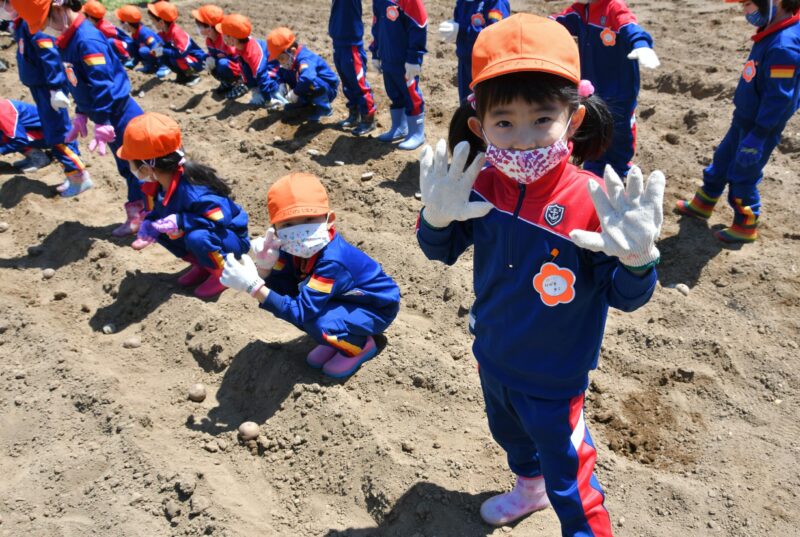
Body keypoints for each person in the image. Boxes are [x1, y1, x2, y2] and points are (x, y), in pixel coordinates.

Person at [416, 14, 665, 532]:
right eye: (504, 123)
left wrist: (638, 259)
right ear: (479, 126)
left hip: (555, 378)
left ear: (572, 120)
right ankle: (528, 489)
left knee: (572, 479)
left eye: (542, 119)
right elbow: (439, 252)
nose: (523, 139)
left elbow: (624, 296)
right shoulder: (479, 183)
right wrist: (435, 220)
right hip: (492, 356)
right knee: (510, 437)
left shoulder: (593, 201)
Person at [220, 172, 401, 378]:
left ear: (329, 219)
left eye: (308, 219)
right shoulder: (291, 249)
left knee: (315, 322)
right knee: (293, 301)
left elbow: (302, 311)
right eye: (288, 224)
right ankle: (337, 336)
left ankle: (360, 345)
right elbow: (282, 289)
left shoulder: (332, 261)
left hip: (374, 306)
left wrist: (254, 287)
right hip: (342, 298)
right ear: (276, 230)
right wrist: (265, 268)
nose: (299, 231)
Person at [12, 0, 147, 236]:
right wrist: (82, 113)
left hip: (119, 115)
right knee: (127, 167)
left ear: (58, 8)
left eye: (44, 22)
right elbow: (79, 81)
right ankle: (141, 216)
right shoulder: (67, 39)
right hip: (104, 114)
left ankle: (150, 220)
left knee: (140, 167)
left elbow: (101, 84)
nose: (44, 29)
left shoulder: (86, 40)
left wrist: (103, 120)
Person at [676, 0, 800, 243]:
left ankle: (746, 222)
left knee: (744, 171)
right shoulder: (772, 32)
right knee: (722, 159)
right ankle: (704, 202)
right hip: (744, 118)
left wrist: (760, 134)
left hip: (759, 127)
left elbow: (779, 99)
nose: (745, 11)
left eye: (748, 4)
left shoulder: (784, 46)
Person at [119, 112, 250, 299]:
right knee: (160, 230)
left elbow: (220, 218)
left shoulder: (193, 188)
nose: (130, 168)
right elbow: (159, 213)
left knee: (197, 237)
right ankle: (204, 265)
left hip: (229, 237)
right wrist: (149, 223)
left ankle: (224, 274)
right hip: (208, 233)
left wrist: (180, 220)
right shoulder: (156, 186)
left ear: (147, 167)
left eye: (131, 163)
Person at [554, 0, 660, 179]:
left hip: (619, 90)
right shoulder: (580, 11)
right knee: (593, 129)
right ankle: (593, 170)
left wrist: (641, 44)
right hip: (592, 90)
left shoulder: (613, 7)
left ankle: (619, 171)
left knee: (620, 134)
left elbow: (629, 25)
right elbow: (556, 23)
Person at [2, 0, 90, 196]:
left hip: (48, 88)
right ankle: (73, 170)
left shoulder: (32, 23)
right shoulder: (21, 22)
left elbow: (49, 55)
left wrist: (55, 87)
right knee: (56, 129)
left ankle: (77, 175)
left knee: (57, 132)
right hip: (40, 86)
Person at [0, 97, 91, 196]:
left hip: (54, 133)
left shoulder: (4, 112)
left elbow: (20, 140)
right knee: (9, 135)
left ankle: (80, 180)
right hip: (38, 130)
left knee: (64, 152)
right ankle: (37, 157)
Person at [370, 0, 428, 150]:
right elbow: (377, 23)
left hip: (404, 60)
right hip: (387, 57)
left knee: (411, 94)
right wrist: (375, 51)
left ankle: (417, 132)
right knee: (394, 92)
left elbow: (419, 24)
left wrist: (414, 58)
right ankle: (399, 126)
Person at [438, 0, 510, 103]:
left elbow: (495, 34)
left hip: (486, 66)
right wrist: (454, 25)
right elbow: (460, 18)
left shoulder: (496, 3)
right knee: (466, 103)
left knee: (484, 104)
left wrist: (461, 29)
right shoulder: (463, 2)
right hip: (465, 61)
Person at [267, 27, 340, 123]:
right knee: (284, 71)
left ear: (292, 51)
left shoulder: (305, 59)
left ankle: (324, 109)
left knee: (310, 81)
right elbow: (279, 74)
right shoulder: (289, 61)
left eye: (281, 58)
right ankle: (304, 104)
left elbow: (308, 78)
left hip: (327, 89)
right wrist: (280, 84)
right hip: (306, 89)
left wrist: (295, 93)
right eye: (277, 59)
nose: (280, 62)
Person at [329, 0, 377, 135]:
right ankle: (354, 113)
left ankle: (368, 119)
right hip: (338, 43)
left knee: (358, 83)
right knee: (347, 83)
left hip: (351, 45)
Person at [216, 14, 284, 107]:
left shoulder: (253, 53)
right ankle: (258, 91)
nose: (221, 36)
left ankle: (276, 92)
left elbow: (262, 75)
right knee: (245, 68)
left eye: (224, 34)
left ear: (232, 39)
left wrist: (268, 99)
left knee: (272, 96)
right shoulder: (240, 47)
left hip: (273, 73)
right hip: (262, 75)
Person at [147, 0, 207, 86]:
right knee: (165, 56)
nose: (151, 23)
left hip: (197, 61)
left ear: (161, 22)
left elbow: (181, 53)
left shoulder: (177, 33)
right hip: (185, 59)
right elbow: (162, 47)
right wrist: (156, 50)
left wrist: (163, 50)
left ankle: (192, 75)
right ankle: (182, 75)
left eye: (153, 20)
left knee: (176, 58)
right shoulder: (163, 33)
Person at [191, 4, 246, 98]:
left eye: (199, 26)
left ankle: (241, 84)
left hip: (240, 71)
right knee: (209, 61)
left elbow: (239, 61)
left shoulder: (226, 40)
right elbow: (212, 54)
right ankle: (227, 83)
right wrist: (207, 58)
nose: (198, 28)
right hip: (227, 67)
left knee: (222, 64)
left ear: (209, 27)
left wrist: (216, 60)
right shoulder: (209, 40)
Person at [114, 4, 170, 78]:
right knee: (131, 44)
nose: (121, 26)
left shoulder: (144, 33)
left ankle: (162, 66)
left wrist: (163, 63)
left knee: (143, 50)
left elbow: (157, 46)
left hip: (162, 55)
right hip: (152, 53)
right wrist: (135, 60)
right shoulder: (135, 33)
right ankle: (146, 65)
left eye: (122, 23)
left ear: (127, 23)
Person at [81, 0, 134, 67]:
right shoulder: (97, 24)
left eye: (85, 15)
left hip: (126, 47)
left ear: (90, 17)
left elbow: (120, 40)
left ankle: (126, 58)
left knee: (111, 42)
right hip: (117, 47)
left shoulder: (104, 28)